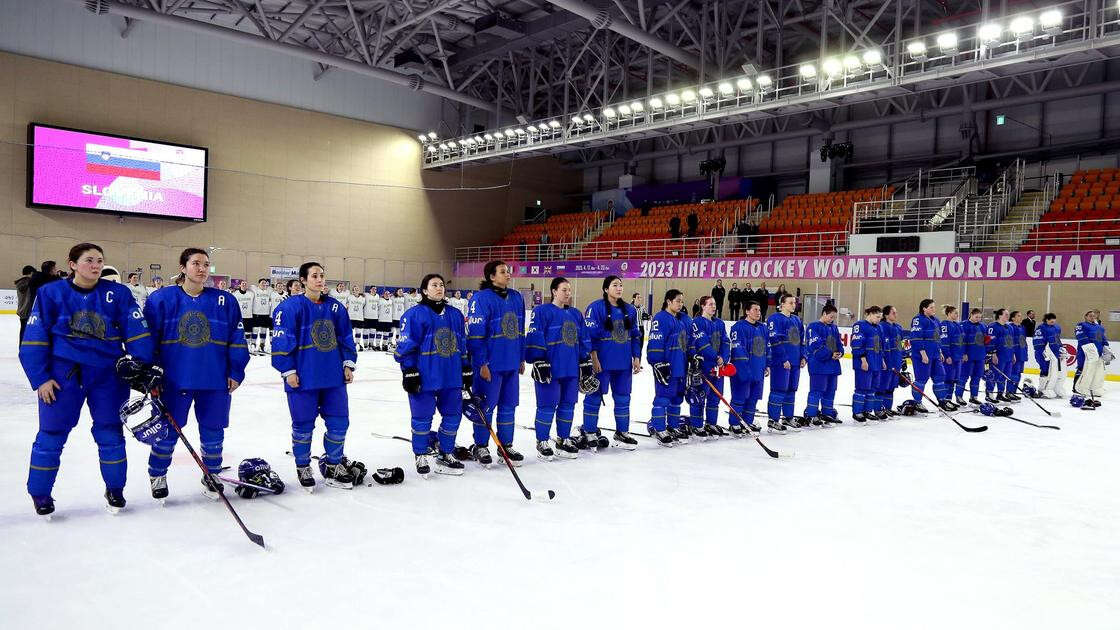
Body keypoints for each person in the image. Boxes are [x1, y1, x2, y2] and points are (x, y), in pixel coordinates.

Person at [19, 243, 155, 517]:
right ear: (72, 264)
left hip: (108, 376)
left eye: (99, 260)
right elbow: (34, 339)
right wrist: (40, 378)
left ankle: (115, 489)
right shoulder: (50, 293)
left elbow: (137, 332)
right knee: (51, 436)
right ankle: (41, 494)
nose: (95, 265)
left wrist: (141, 366)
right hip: (62, 377)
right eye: (89, 260)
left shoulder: (118, 293)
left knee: (110, 434)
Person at [142, 248, 249, 501]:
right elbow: (147, 341)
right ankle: (157, 473)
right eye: (196, 263)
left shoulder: (225, 301)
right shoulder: (161, 300)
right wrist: (150, 373)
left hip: (215, 379)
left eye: (206, 264)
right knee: (168, 431)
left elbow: (237, 338)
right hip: (174, 379)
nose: (202, 269)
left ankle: (211, 474)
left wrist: (235, 370)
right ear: (183, 267)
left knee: (214, 430)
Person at [271, 261, 360, 490]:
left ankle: (333, 464)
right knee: (303, 425)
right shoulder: (289, 308)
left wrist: (348, 364)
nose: (320, 280)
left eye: (322, 275)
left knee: (339, 423)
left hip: (333, 378)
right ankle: (303, 466)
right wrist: (288, 369)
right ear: (303, 280)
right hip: (303, 377)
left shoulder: (336, 308)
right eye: (314, 276)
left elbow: (346, 338)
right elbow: (281, 341)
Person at [395, 273, 469, 476]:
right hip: (425, 375)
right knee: (422, 418)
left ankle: (445, 453)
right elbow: (406, 346)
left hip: (451, 376)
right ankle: (421, 454)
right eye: (434, 285)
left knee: (453, 416)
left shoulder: (455, 315)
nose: (439, 288)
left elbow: (462, 344)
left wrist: (466, 366)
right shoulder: (414, 315)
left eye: (442, 285)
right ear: (425, 290)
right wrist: (409, 370)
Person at [466, 261, 526, 465]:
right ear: (492, 276)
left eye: (508, 272)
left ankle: (505, 445)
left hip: (511, 362)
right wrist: (481, 362)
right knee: (486, 407)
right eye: (503, 272)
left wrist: (521, 357)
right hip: (490, 365)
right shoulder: (481, 299)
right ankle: (481, 446)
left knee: (509, 407)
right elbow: (475, 335)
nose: (508, 275)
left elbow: (520, 330)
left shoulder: (517, 297)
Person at [527, 277, 591, 460]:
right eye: (564, 290)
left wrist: (584, 362)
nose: (568, 293)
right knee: (547, 406)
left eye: (569, 290)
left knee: (568, 406)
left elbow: (583, 339)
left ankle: (563, 439)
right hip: (550, 369)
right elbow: (535, 335)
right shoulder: (541, 311)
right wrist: (539, 360)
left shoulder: (576, 314)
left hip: (570, 369)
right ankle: (542, 441)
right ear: (554, 291)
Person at [581, 276, 642, 449]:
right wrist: (593, 358)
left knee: (623, 399)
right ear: (606, 289)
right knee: (594, 397)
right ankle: (590, 431)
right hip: (602, 363)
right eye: (615, 285)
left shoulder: (630, 310)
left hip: (623, 364)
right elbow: (590, 336)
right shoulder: (596, 307)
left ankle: (622, 432)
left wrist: (636, 357)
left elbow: (635, 336)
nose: (619, 288)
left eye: (621, 285)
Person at [646, 289, 690, 446]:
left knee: (677, 398)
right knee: (663, 397)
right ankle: (659, 428)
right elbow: (655, 342)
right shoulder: (661, 318)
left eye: (682, 301)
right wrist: (658, 362)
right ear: (668, 301)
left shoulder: (680, 320)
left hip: (680, 366)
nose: (680, 304)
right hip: (667, 366)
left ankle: (673, 426)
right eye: (677, 301)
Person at [688, 295, 730, 437]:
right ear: (703, 306)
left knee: (715, 396)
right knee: (699, 397)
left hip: (718, 367)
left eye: (714, 304)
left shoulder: (720, 323)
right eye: (710, 304)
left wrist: (723, 358)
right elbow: (702, 343)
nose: (714, 306)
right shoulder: (697, 322)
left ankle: (711, 424)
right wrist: (716, 357)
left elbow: (726, 342)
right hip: (703, 366)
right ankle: (696, 426)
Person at [766, 293, 805, 431]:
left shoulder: (797, 320)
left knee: (791, 390)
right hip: (781, 362)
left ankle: (788, 417)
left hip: (795, 361)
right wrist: (783, 358)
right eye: (790, 303)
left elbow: (802, 340)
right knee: (779, 389)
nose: (794, 305)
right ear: (782, 304)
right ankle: (773, 419)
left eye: (795, 303)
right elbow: (774, 340)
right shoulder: (774, 319)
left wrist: (803, 357)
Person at [729, 300, 767, 434]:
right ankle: (734, 424)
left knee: (753, 398)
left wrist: (766, 364)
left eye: (759, 310)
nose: (758, 312)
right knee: (740, 397)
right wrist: (744, 369)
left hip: (759, 369)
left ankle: (747, 422)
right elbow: (738, 350)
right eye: (755, 310)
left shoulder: (763, 327)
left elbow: (766, 348)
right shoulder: (738, 327)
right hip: (743, 369)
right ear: (746, 311)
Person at [910, 298, 953, 411]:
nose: (934, 309)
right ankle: (917, 402)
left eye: (934, 307)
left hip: (935, 355)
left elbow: (937, 339)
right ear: (924, 309)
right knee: (921, 379)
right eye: (931, 307)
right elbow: (916, 338)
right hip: (922, 356)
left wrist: (939, 352)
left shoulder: (936, 321)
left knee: (940, 376)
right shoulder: (918, 320)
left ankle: (942, 400)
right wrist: (923, 353)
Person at [803, 304, 843, 425]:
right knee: (817, 390)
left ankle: (827, 413)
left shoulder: (834, 328)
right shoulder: (813, 327)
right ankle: (811, 414)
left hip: (833, 366)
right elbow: (815, 346)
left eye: (834, 317)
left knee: (831, 390)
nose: (832, 319)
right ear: (824, 314)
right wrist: (830, 354)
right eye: (831, 316)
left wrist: (840, 352)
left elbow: (838, 342)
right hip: (819, 366)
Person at [851, 306, 886, 423]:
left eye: (880, 317)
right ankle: (857, 412)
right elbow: (856, 344)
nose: (879, 320)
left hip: (876, 362)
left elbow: (880, 346)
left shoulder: (879, 328)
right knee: (862, 387)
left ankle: (867, 410)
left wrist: (882, 360)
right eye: (877, 317)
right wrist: (863, 359)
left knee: (872, 388)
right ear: (869, 314)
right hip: (865, 363)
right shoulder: (859, 325)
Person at [1073, 309, 1109, 406]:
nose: (1092, 317)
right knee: (1083, 369)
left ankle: (1093, 388)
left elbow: (1103, 339)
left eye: (1094, 316)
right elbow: (1080, 336)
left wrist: (1106, 348)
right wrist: (1090, 348)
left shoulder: (1099, 327)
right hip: (1085, 352)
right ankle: (1078, 388)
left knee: (1097, 372)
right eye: (1090, 315)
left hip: (1098, 353)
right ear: (1086, 317)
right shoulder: (1081, 325)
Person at [878, 305, 905, 416]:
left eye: (896, 312)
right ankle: (879, 408)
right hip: (887, 361)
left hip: (897, 361)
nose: (896, 314)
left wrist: (902, 359)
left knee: (892, 386)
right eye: (893, 312)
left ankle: (888, 408)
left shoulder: (898, 327)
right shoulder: (881, 327)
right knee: (883, 385)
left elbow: (900, 344)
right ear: (886, 315)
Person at [1033, 313, 1067, 399]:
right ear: (1046, 320)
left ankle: (1053, 388)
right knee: (1045, 370)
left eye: (1054, 319)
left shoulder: (1057, 327)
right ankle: (1041, 390)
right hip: (1043, 352)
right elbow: (1037, 342)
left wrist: (1061, 348)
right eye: (1050, 319)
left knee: (1055, 372)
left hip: (1054, 353)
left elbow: (1057, 340)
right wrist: (1043, 351)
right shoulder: (1041, 328)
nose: (1053, 321)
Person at [985, 308, 1015, 404]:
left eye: (1008, 314)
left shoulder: (1010, 327)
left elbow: (1011, 342)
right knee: (994, 375)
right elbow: (989, 341)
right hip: (999, 355)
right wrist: (993, 353)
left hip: (1008, 355)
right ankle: (989, 394)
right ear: (999, 315)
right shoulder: (992, 327)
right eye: (1006, 314)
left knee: (1004, 376)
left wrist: (1013, 354)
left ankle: (1000, 393)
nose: (1008, 316)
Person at [960, 308, 987, 405]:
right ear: (971, 315)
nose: (978, 319)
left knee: (977, 377)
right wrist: (963, 353)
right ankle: (959, 396)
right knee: (963, 377)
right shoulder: (963, 325)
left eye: (980, 317)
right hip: (968, 356)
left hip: (980, 355)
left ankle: (974, 397)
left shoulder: (983, 326)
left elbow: (986, 340)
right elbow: (961, 341)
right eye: (976, 317)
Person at [940, 306, 965, 407]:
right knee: (948, 379)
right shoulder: (944, 325)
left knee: (955, 379)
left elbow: (961, 341)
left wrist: (962, 354)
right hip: (950, 357)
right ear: (949, 313)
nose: (957, 315)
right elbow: (944, 341)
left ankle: (949, 399)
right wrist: (947, 355)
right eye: (955, 313)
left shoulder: (958, 325)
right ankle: (945, 400)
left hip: (958, 357)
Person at [249, 278, 274, 355]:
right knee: (255, 330)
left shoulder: (269, 290)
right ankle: (253, 344)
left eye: (265, 283)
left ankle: (262, 346)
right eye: (262, 283)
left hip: (266, 313)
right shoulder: (254, 290)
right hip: (256, 313)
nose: (264, 284)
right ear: (258, 284)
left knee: (263, 330)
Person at [1008, 311, 1028, 400]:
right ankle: (1009, 392)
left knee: (1018, 374)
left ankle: (1014, 392)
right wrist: (1012, 353)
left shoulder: (1022, 328)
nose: (1021, 317)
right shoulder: (1010, 327)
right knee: (1013, 374)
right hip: (1015, 354)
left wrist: (1025, 352)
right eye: (1018, 316)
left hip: (1022, 354)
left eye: (1021, 316)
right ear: (1013, 318)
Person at [15, 265, 35, 341]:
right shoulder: (29, 282)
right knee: (26, 333)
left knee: (23, 332)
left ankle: (22, 349)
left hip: (23, 311)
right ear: (31, 273)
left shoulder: (20, 283)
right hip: (27, 312)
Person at [232, 280, 254, 348]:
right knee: (239, 331)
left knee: (248, 331)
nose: (244, 284)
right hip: (239, 316)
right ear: (240, 285)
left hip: (248, 316)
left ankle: (247, 346)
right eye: (242, 283)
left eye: (245, 283)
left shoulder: (251, 294)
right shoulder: (235, 294)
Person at [347, 286, 366, 350]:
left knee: (358, 332)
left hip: (359, 317)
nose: (357, 290)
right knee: (350, 332)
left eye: (358, 289)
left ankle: (358, 343)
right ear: (353, 291)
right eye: (355, 289)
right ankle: (350, 344)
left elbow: (363, 306)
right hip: (351, 317)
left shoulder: (363, 298)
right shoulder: (349, 297)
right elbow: (347, 306)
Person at [362, 286, 380, 350]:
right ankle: (365, 344)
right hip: (367, 316)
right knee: (366, 331)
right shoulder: (366, 295)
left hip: (375, 317)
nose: (374, 290)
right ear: (370, 290)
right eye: (373, 289)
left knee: (373, 331)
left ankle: (371, 344)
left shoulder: (377, 296)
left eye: (375, 289)